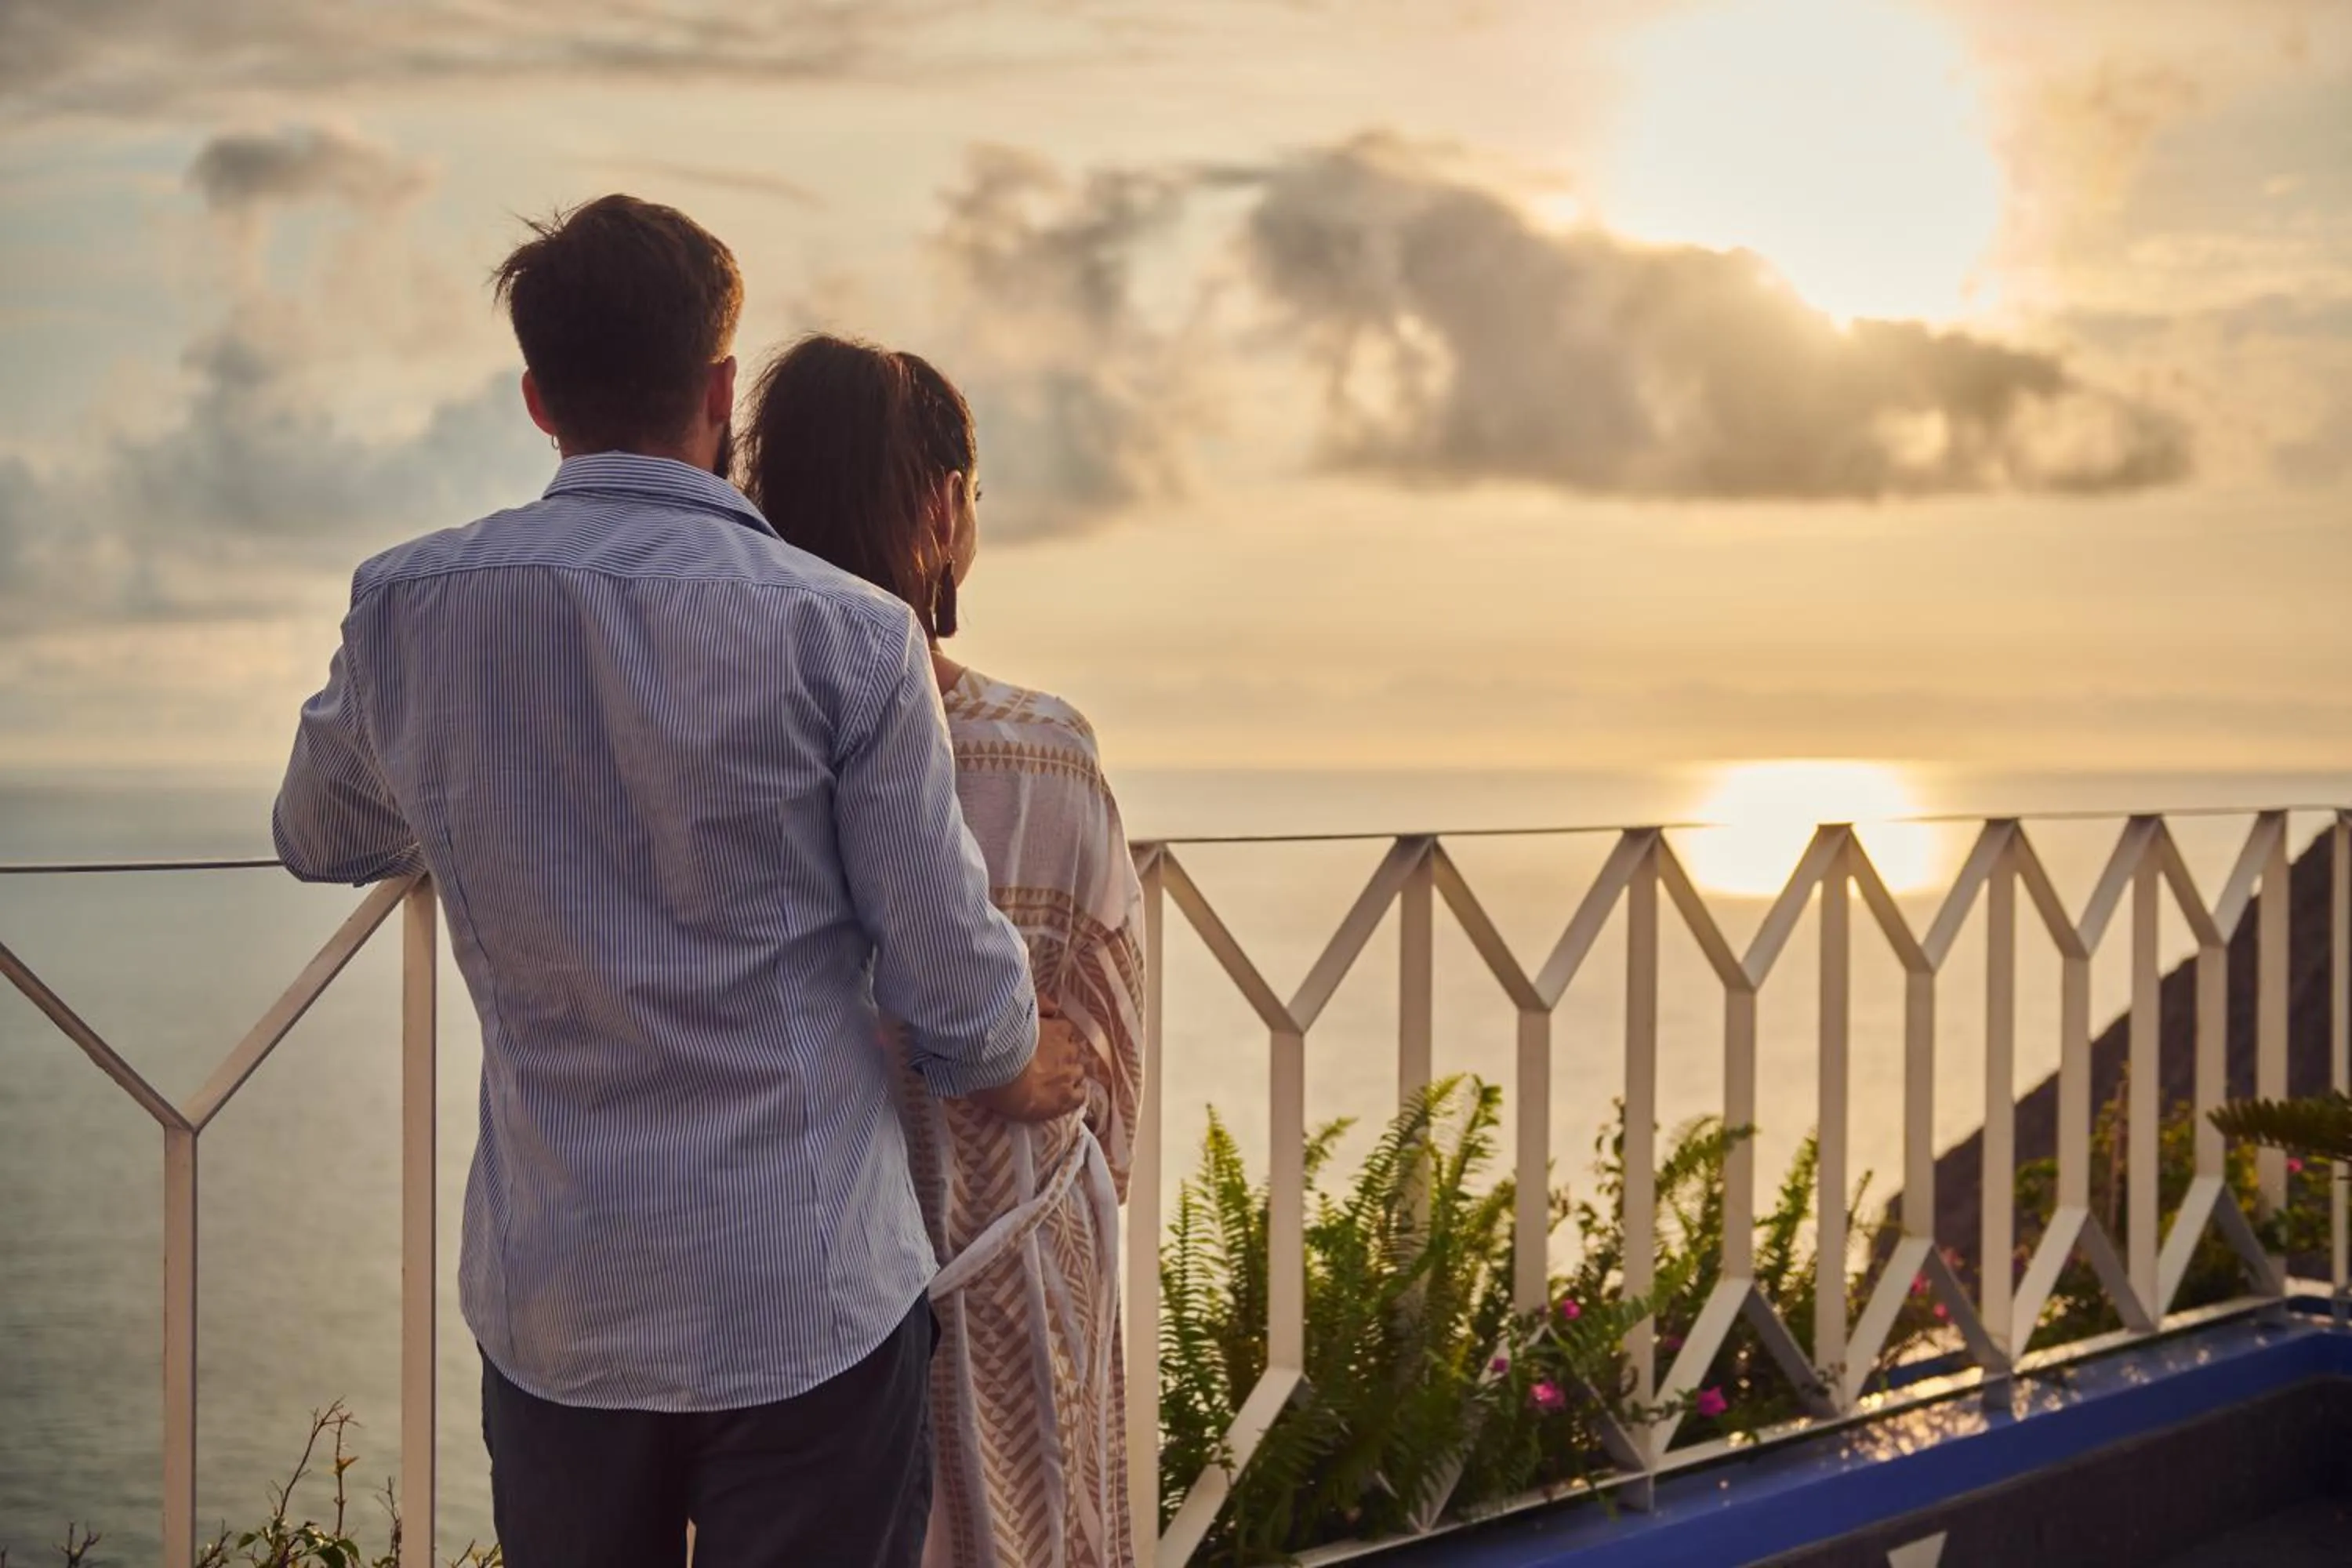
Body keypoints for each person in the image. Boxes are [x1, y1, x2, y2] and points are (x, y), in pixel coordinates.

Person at [270, 196, 1091, 1568]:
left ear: (537, 399)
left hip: (564, 1304)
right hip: (809, 1297)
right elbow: (956, 990)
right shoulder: (847, 635)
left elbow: (320, 832)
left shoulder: (409, 606)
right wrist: (1019, 1065)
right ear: (719, 388)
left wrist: (496, 778)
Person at [740, 335, 1146, 1568]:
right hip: (1004, 1280)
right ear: (940, 507)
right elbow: (1109, 1084)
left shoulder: (723, 739)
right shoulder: (1042, 753)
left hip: (783, 1282)